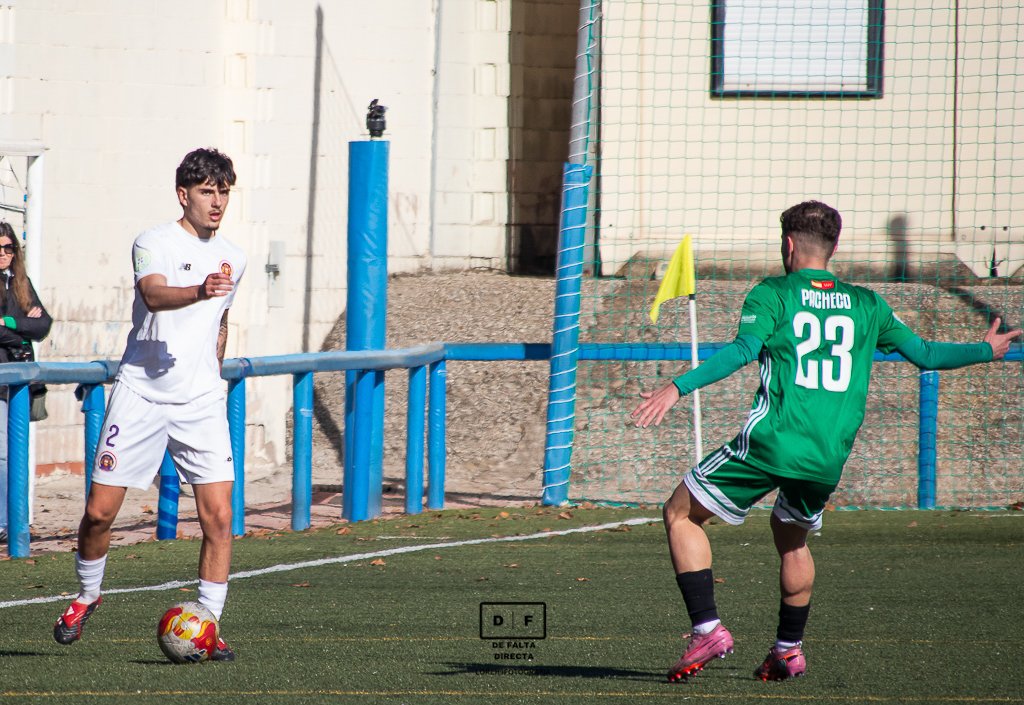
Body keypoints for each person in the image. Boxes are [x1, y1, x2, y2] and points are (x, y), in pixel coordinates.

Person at [630, 201, 1021, 683]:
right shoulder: (868, 304)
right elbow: (924, 353)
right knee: (791, 537)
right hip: (827, 456)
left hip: (772, 442)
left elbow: (741, 351)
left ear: (788, 244)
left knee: (680, 513)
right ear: (833, 248)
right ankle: (788, 650)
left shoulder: (772, 293)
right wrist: (985, 350)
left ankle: (707, 627)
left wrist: (676, 388)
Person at [54, 148, 247, 661]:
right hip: (141, 393)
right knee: (99, 513)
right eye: (207, 190)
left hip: (201, 399)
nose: (217, 201)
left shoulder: (235, 255)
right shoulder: (153, 242)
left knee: (220, 517)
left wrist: (213, 369)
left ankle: (207, 623)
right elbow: (155, 295)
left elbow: (220, 322)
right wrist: (200, 289)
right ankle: (87, 596)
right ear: (184, 194)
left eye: (224, 190)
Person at [0, 221, 52, 544]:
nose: (3, 254)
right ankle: (5, 521)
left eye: (8, 248)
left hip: (19, 382)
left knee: (15, 451)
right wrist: (20, 333)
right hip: (2, 377)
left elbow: (44, 324)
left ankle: (14, 520)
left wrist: (8, 322)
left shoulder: (20, 283)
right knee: (3, 453)